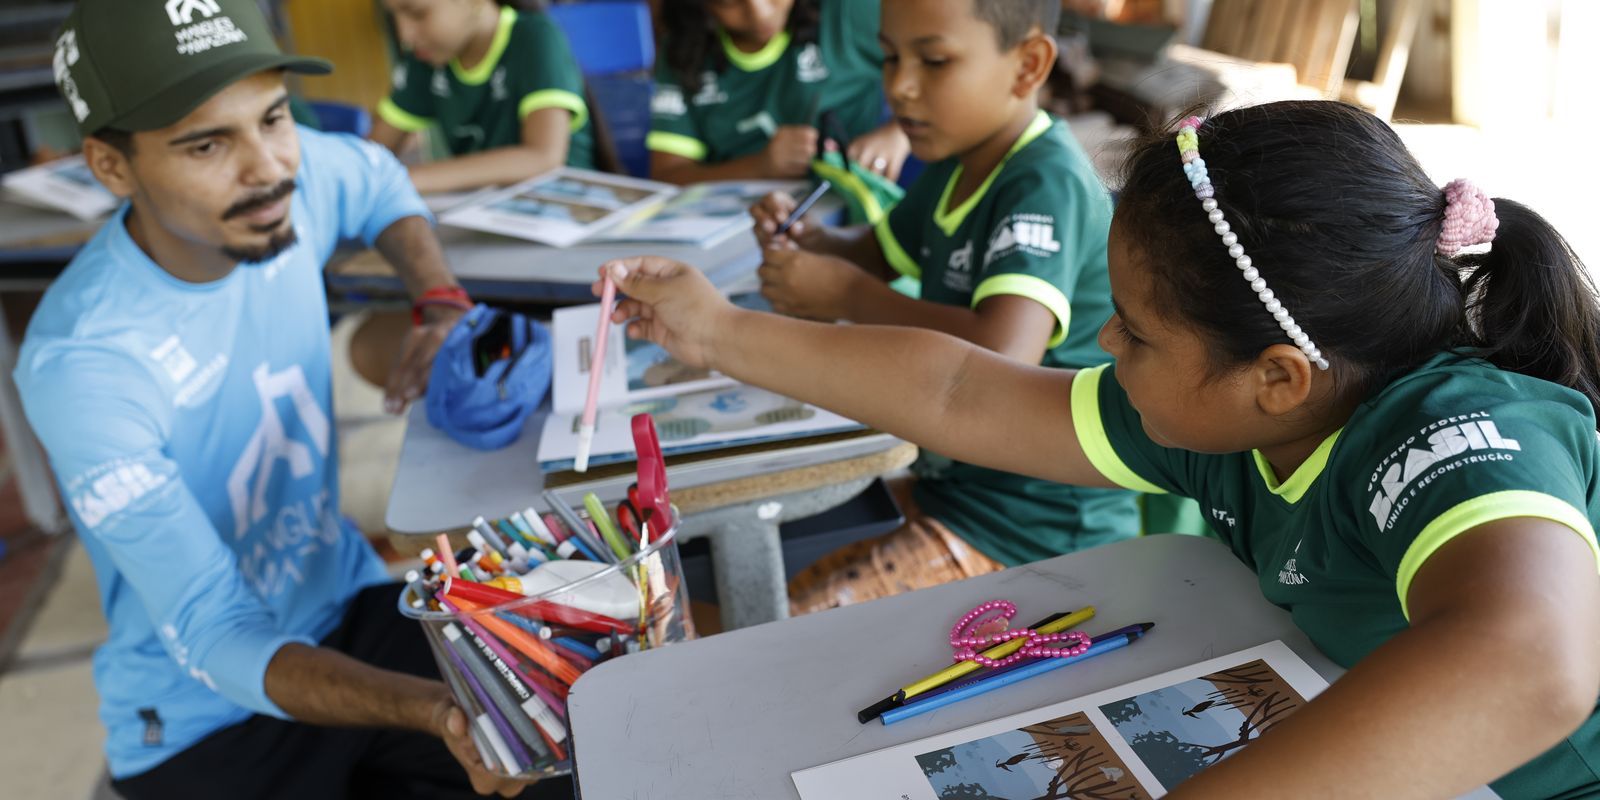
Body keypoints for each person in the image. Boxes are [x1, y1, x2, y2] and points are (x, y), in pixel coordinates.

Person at [592, 98, 1600, 798]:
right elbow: (958, 390)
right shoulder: (1231, 418)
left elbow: (1531, 662)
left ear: (1277, 374)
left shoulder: (1456, 430)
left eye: (1138, 332)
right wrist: (716, 331)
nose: (1105, 342)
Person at [18, 1, 555, 796]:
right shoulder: (86, 363)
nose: (267, 168)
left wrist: (440, 301)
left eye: (274, 118)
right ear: (111, 166)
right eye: (206, 144)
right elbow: (216, 631)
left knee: (568, 750)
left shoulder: (283, 193)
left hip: (346, 608)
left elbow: (378, 180)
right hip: (200, 720)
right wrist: (442, 714)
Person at [748, 0, 1137, 614]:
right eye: (889, 58)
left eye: (933, 61)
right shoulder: (957, 162)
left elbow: (1003, 352)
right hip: (952, 492)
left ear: (1027, 65)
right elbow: (872, 254)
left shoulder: (1044, 181)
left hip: (1036, 534)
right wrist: (807, 241)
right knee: (758, 584)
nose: (900, 86)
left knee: (784, 628)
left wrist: (844, 294)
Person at [647, 0, 910, 185]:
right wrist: (760, 167)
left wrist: (899, 133)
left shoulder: (848, 10)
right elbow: (668, 176)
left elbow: (931, 61)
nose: (760, 13)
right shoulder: (684, 49)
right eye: (729, 2)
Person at [371, 0, 596, 193]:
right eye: (393, 16)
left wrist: (403, 180)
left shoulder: (535, 36)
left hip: (568, 210)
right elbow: (373, 154)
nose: (405, 35)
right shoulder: (426, 58)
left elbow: (543, 158)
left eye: (418, 14)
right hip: (485, 213)